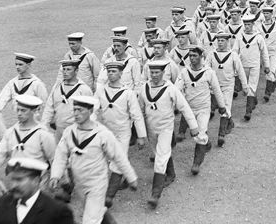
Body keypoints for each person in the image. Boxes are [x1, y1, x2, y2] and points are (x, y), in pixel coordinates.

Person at [50, 96, 138, 224]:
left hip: (97, 184)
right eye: (74, 110)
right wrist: (55, 175)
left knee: (90, 220)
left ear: (90, 111)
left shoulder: (102, 134)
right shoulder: (69, 132)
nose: (76, 113)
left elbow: (119, 157)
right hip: (80, 183)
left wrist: (131, 177)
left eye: (80, 110)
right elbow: (60, 155)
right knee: (93, 211)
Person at [138, 60, 199, 208]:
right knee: (160, 152)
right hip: (151, 128)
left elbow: (184, 107)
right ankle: (171, 174)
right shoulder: (144, 88)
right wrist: (139, 133)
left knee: (160, 158)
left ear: (163, 73)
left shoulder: (170, 89)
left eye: (157, 72)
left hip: (166, 127)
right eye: (151, 72)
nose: (154, 75)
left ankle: (155, 194)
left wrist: (193, 126)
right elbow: (139, 110)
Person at [95, 61, 146, 208]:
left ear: (120, 73)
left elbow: (136, 115)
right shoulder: (100, 91)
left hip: (123, 132)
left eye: (114, 72)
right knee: (102, 160)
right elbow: (93, 109)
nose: (111, 74)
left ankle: (109, 196)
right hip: (105, 131)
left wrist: (141, 136)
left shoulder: (128, 93)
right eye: (109, 72)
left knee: (118, 160)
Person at [175, 45, 227, 175]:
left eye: (195, 56)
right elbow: (176, 89)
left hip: (204, 109)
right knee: (196, 134)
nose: (192, 58)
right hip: (189, 110)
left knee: (201, 134)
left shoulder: (209, 72)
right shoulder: (184, 72)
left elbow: (216, 90)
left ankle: (196, 164)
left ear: (201, 57)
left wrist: (221, 106)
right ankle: (207, 144)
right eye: (190, 55)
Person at [0, 157, 73, 224]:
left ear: (36, 181)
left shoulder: (57, 211)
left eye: (19, 180)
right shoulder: (3, 202)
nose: (14, 185)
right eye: (12, 180)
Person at [206, 32, 249, 147]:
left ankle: (221, 135)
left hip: (228, 86)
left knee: (224, 109)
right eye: (218, 40)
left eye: (222, 40)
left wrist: (245, 86)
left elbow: (240, 71)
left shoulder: (233, 55)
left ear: (228, 41)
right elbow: (206, 70)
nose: (220, 43)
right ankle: (230, 122)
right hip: (213, 88)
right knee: (209, 109)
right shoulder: (211, 54)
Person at [0, 96, 55, 174]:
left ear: (34, 111)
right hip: (16, 176)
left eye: (23, 111)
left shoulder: (43, 135)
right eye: (18, 110)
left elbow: (54, 159)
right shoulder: (10, 133)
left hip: (37, 178)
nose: (19, 113)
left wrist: (56, 177)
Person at [42, 59, 94, 141]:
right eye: (64, 69)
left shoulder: (84, 89)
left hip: (76, 131)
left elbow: (91, 111)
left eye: (68, 69)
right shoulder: (57, 87)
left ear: (76, 71)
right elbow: (49, 108)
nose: (65, 72)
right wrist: (43, 126)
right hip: (59, 130)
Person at [232, 16, 270, 121]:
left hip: (254, 66)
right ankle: (254, 99)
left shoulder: (258, 37)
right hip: (243, 66)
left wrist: (266, 65)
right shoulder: (240, 36)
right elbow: (235, 51)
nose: (247, 27)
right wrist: (233, 63)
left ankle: (248, 111)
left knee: (251, 87)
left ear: (253, 24)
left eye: (249, 24)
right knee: (246, 87)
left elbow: (264, 52)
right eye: (245, 24)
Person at [0, 53, 48, 118]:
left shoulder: (37, 83)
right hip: (17, 120)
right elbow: (1, 101)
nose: (17, 67)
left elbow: (44, 105)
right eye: (16, 64)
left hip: (32, 121)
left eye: (20, 64)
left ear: (28, 65)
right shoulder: (12, 83)